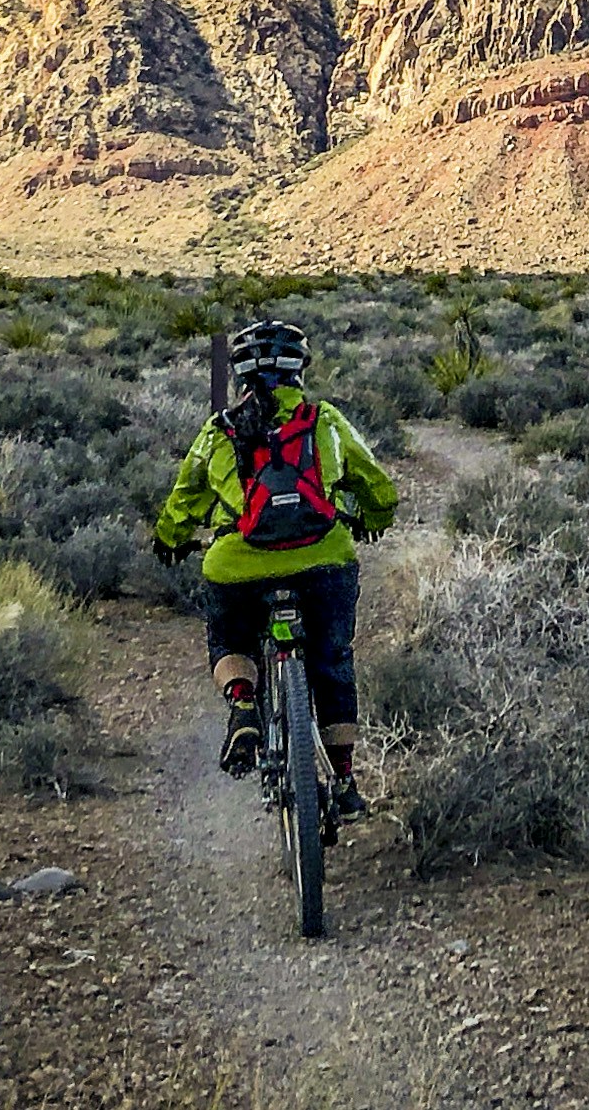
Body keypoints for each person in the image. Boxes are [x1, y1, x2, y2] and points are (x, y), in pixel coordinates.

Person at [153, 315, 399, 815]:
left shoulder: (218, 431)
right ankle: (346, 781)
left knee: (231, 640)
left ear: (242, 377)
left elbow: (185, 498)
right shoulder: (324, 420)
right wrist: (370, 519)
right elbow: (378, 487)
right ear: (299, 371)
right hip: (324, 559)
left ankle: (243, 702)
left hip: (238, 565)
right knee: (333, 663)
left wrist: (171, 538)